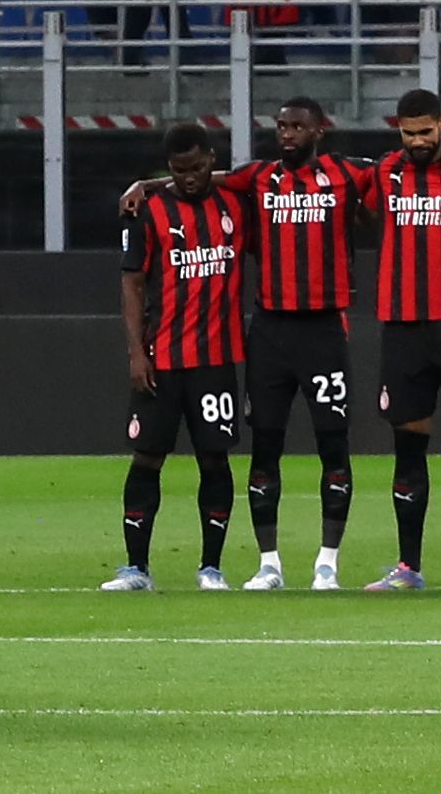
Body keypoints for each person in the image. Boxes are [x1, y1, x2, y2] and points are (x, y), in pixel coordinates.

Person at [222, 95, 363, 591]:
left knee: (333, 444)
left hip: (324, 330)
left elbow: (400, 168)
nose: (286, 134)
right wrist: (144, 185)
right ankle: (269, 563)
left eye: (296, 127)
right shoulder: (257, 177)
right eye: (281, 126)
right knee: (265, 444)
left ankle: (328, 560)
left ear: (319, 130)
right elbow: (198, 180)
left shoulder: (347, 175)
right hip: (271, 331)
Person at [357, 88, 441, 589]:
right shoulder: (383, 172)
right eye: (408, 132)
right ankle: (408, 566)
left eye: (426, 131)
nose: (417, 141)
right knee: (408, 448)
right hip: (402, 329)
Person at [112, 121, 251, 590]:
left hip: (215, 359)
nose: (189, 177)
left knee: (214, 460)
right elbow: (131, 284)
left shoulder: (236, 203)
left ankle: (211, 567)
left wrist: (145, 181)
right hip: (162, 358)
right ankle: (136, 568)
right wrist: (136, 353)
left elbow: (254, 176)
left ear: (211, 158)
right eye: (178, 170)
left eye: (196, 167)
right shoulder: (148, 211)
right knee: (147, 458)